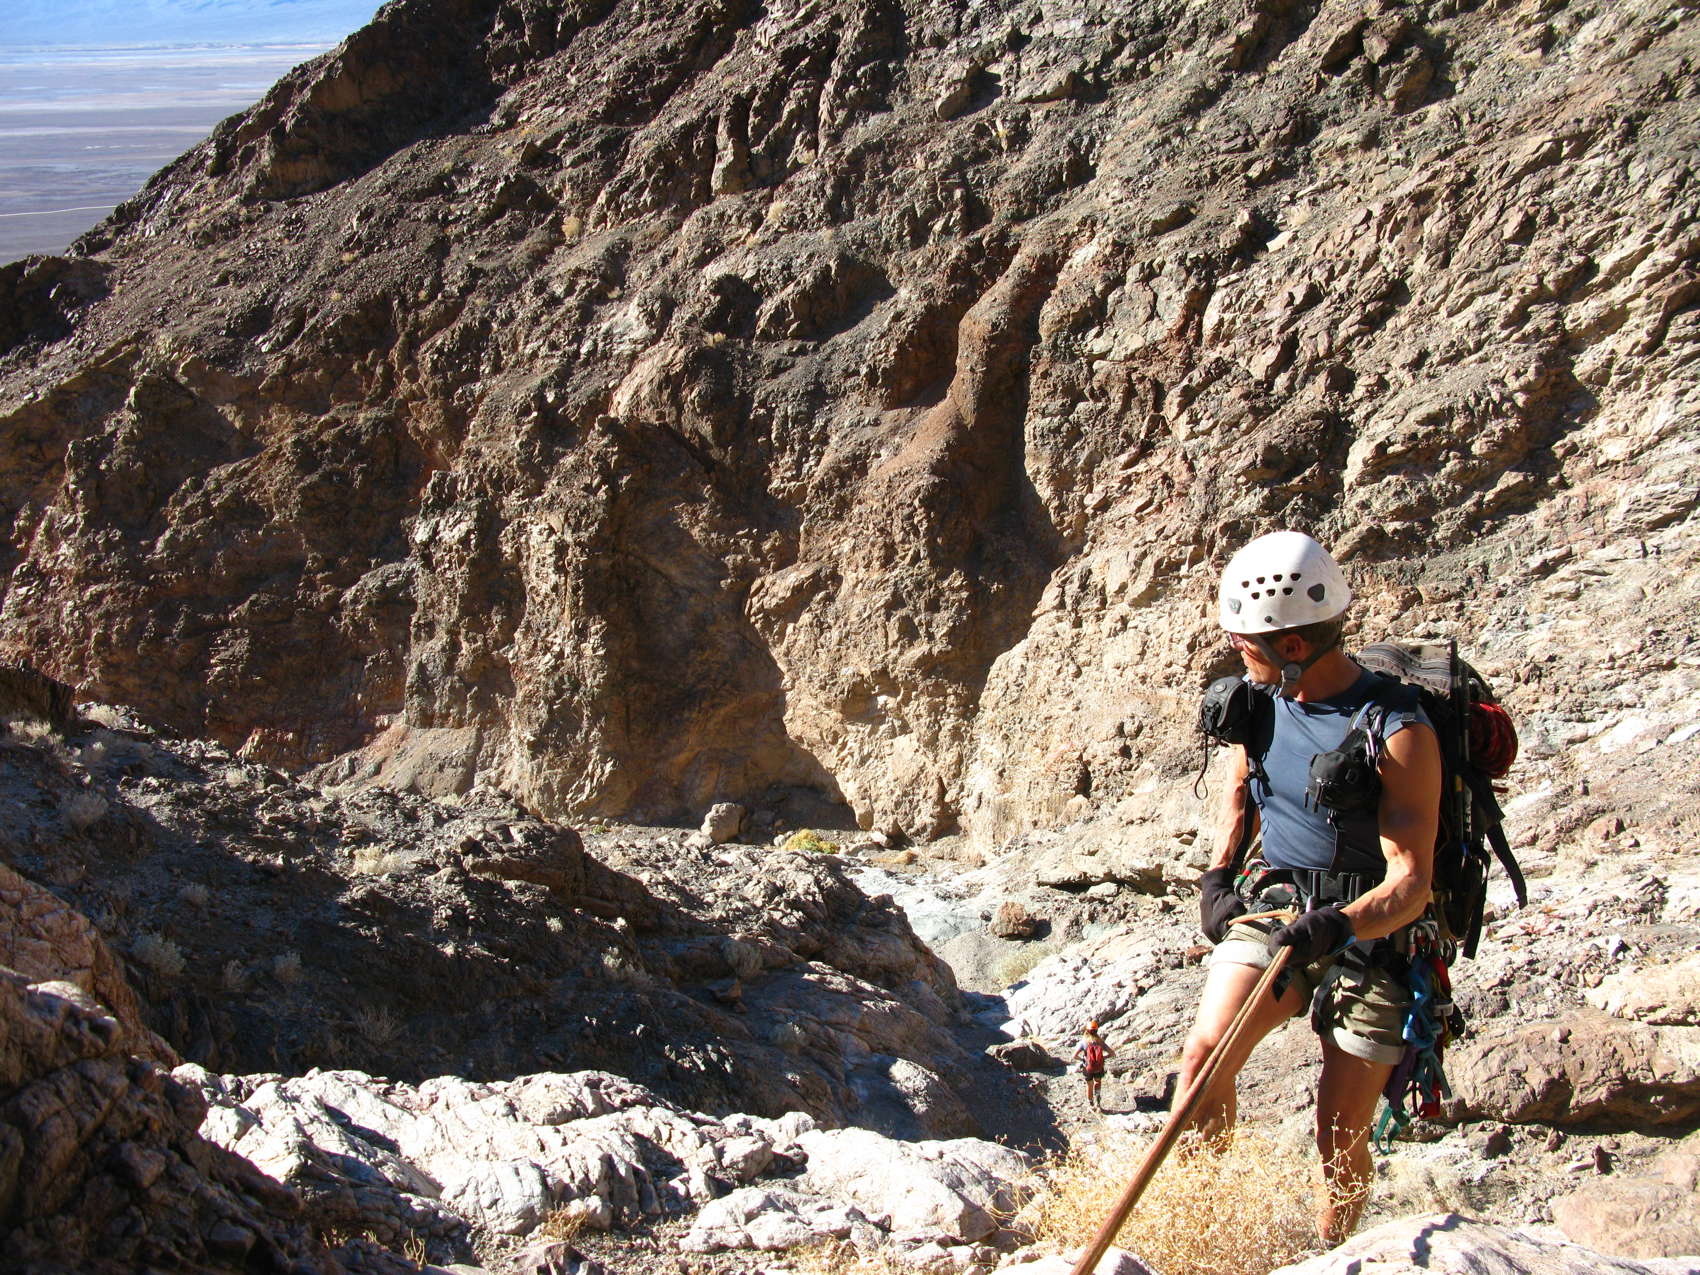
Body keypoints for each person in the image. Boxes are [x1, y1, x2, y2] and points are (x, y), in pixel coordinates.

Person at [1179, 530, 1440, 1245]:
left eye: (1246, 645)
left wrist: (1339, 926)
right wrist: (1219, 876)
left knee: (1338, 1133)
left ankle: (1331, 1250)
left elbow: (1411, 881)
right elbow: (1242, 790)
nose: (1237, 655)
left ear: (1293, 645)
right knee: (1202, 1062)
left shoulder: (1398, 730)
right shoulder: (1260, 703)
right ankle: (1199, 1235)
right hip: (1280, 908)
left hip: (1373, 935)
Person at [1074, 1021, 1114, 1111]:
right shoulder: (1100, 1042)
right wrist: (1103, 1058)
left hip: (1087, 1067)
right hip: (1099, 1067)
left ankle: (1091, 1102)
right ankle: (1098, 1101)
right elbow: (1112, 1053)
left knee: (1089, 1085)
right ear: (1096, 1030)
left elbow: (1074, 1056)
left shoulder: (1084, 1042)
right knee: (1098, 1082)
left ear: (1087, 1031)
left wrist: (1083, 1059)